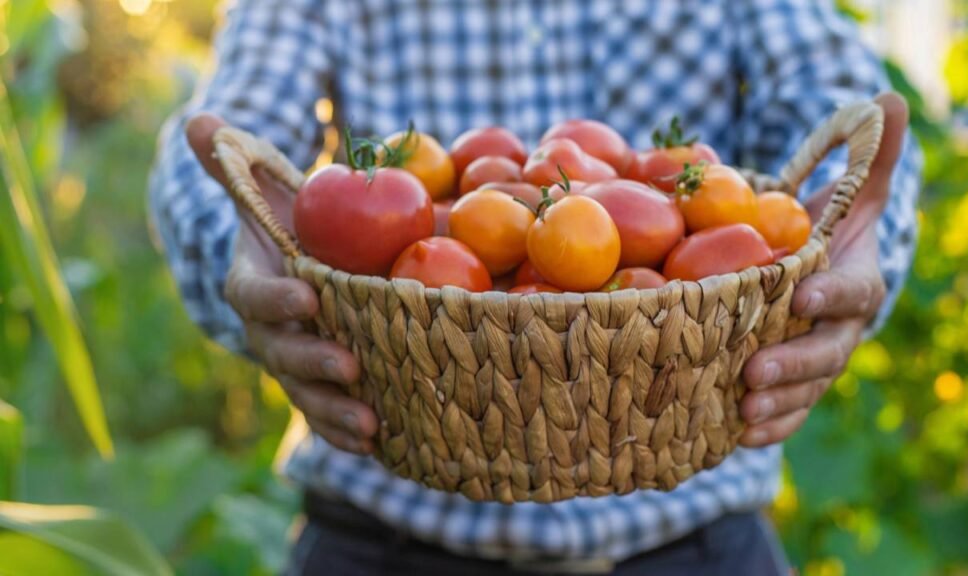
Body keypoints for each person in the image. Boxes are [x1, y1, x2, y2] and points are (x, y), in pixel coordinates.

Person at [150, 0, 921, 573]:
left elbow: (838, 101)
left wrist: (840, 242)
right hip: (381, 541)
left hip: (701, 545)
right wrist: (244, 251)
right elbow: (225, 129)